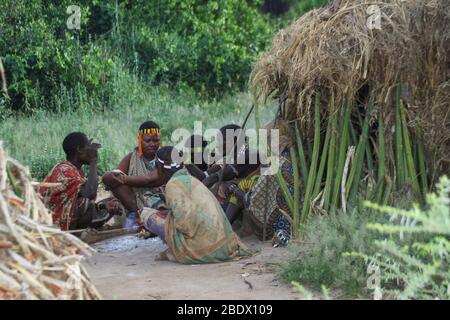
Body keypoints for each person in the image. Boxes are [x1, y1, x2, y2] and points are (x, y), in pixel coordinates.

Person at [139, 146, 251, 264]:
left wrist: (168, 220)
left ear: (160, 168)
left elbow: (184, 225)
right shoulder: (192, 180)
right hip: (226, 247)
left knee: (147, 214)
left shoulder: (172, 185)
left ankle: (176, 250)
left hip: (205, 251)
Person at [39, 132, 120, 231]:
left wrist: (103, 206)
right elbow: (89, 193)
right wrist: (93, 160)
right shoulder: (64, 170)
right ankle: (78, 233)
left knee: (110, 202)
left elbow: (81, 198)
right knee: (85, 203)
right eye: (88, 147)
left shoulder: (75, 170)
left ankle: (87, 229)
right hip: (53, 225)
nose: (91, 151)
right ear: (79, 149)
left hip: (65, 218)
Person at [102, 121, 164, 227]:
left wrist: (124, 179)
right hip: (135, 203)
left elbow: (151, 180)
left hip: (159, 199)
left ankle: (144, 216)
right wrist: (108, 177)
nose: (152, 144)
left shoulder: (164, 156)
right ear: (140, 140)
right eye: (147, 140)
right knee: (115, 184)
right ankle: (138, 214)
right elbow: (114, 176)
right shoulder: (131, 158)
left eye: (156, 140)